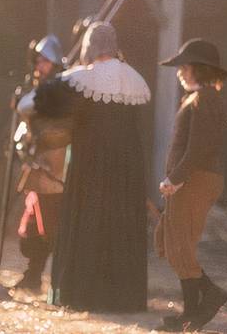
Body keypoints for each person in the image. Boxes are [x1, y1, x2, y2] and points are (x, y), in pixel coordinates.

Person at [30, 22, 150, 312]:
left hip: (91, 165)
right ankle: (122, 298)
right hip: (127, 168)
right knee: (120, 226)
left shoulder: (81, 79)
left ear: (89, 47)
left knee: (89, 222)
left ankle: (84, 293)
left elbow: (42, 101)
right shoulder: (134, 78)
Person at [155, 39, 227, 331]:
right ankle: (190, 314)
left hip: (196, 179)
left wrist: (175, 179)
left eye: (185, 67)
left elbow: (199, 147)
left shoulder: (205, 98)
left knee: (181, 246)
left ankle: (210, 296)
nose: (180, 72)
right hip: (191, 179)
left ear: (200, 69)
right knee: (177, 246)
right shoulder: (197, 97)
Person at [12, 35, 69, 291]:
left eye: (45, 61)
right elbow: (26, 122)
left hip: (55, 163)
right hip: (37, 163)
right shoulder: (39, 87)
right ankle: (33, 275)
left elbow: (58, 126)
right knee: (35, 226)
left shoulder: (62, 89)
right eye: (39, 60)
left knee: (52, 226)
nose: (40, 65)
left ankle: (56, 279)